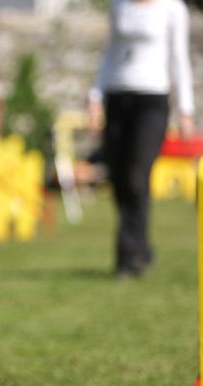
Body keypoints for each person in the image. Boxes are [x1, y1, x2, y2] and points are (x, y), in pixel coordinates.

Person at [88, 0, 196, 279]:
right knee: (119, 178)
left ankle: (128, 257)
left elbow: (178, 57)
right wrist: (95, 96)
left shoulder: (173, 8)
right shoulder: (119, 6)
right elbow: (110, 53)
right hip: (117, 98)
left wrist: (186, 110)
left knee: (137, 177)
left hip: (152, 100)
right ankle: (141, 249)